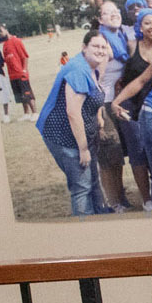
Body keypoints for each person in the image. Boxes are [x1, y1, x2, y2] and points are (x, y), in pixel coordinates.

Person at [36, 30, 112, 216]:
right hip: (65, 137)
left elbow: (94, 96)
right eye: (95, 46)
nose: (100, 50)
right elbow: (72, 112)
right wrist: (83, 149)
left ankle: (100, 216)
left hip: (83, 134)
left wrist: (99, 118)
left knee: (93, 180)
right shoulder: (79, 69)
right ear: (84, 48)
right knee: (81, 188)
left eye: (103, 47)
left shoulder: (91, 65)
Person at [111, 9, 152, 210]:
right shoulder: (131, 46)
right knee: (138, 152)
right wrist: (117, 93)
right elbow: (124, 72)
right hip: (134, 105)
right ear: (140, 27)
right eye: (148, 23)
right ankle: (147, 198)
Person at [0, 24, 35, 115]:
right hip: (12, 75)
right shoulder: (5, 45)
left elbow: (25, 57)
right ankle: (26, 113)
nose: (0, 34)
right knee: (20, 96)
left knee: (27, 94)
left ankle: (35, 113)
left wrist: (24, 70)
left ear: (6, 30)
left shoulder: (16, 41)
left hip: (20, 73)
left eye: (1, 31)